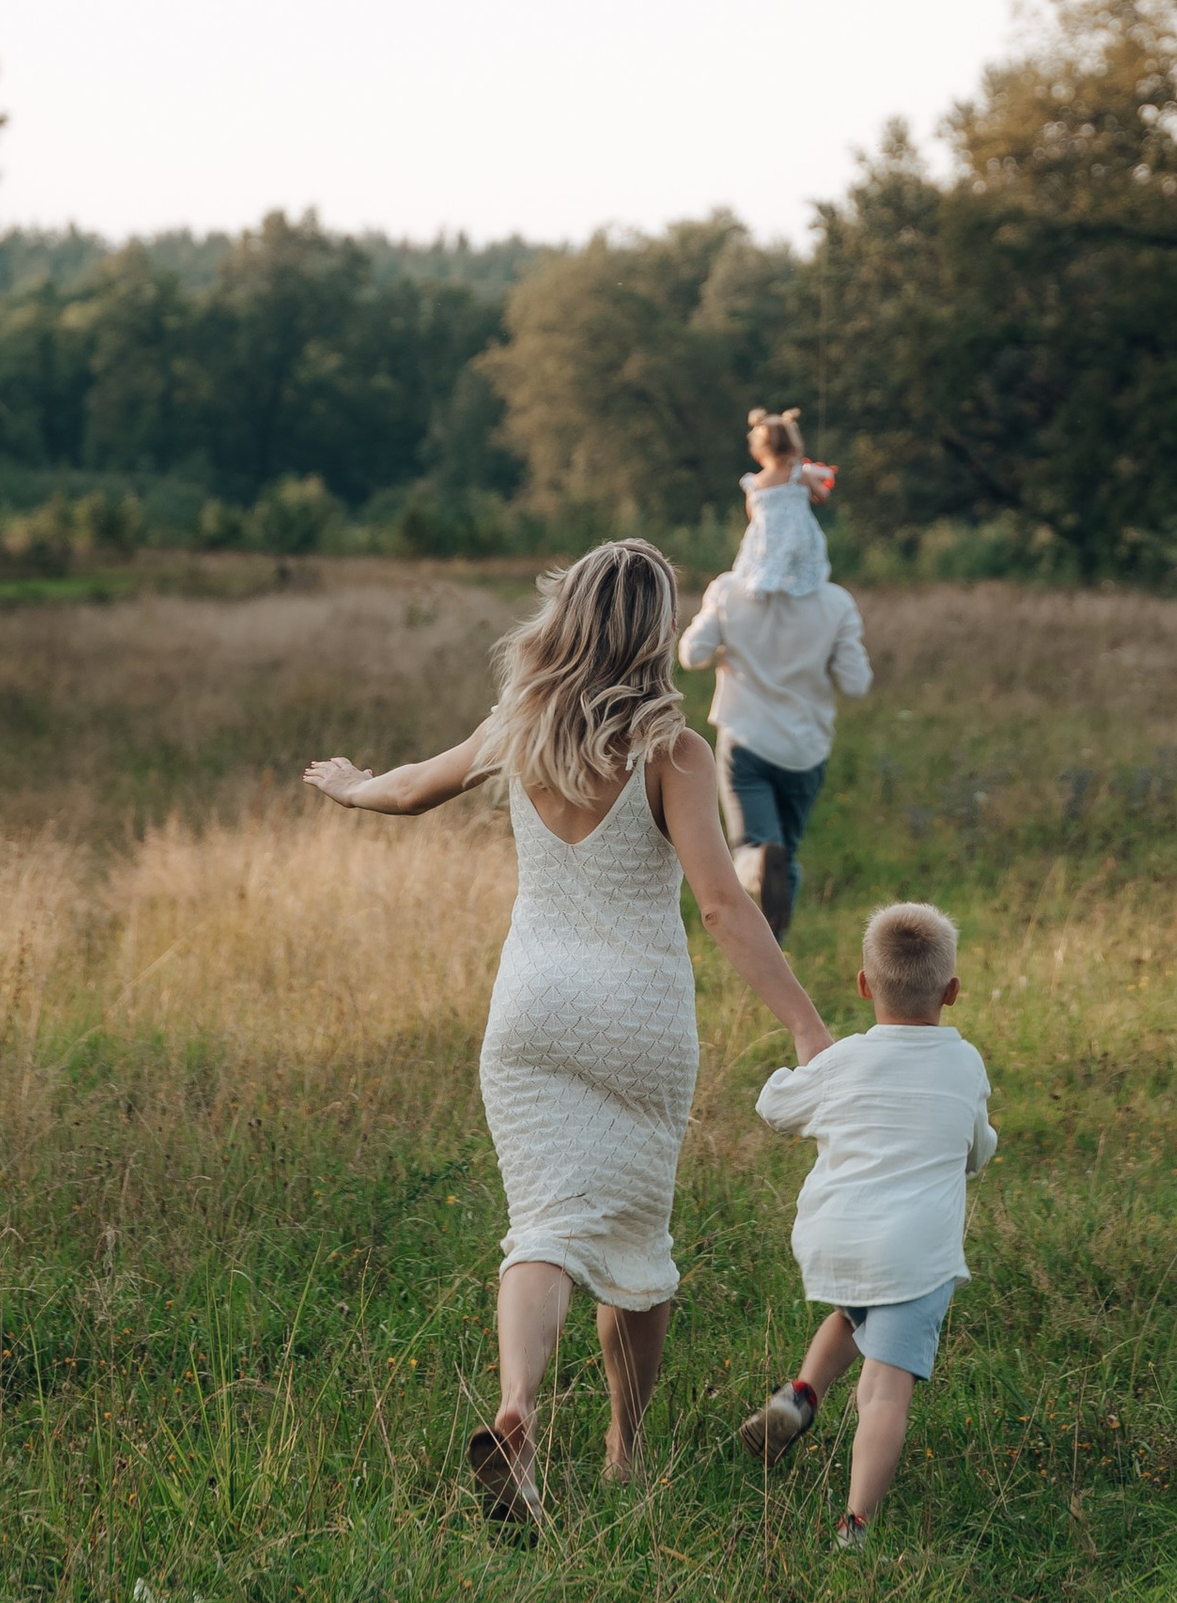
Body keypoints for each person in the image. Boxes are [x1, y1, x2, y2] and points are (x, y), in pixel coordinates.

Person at [303, 537, 829, 1526]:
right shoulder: (672, 748)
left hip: (531, 1011)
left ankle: (516, 1409)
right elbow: (722, 904)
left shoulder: (521, 722)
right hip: (636, 1018)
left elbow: (413, 784)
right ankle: (626, 1449)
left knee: (542, 1222)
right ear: (657, 629)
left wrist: (352, 783)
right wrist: (803, 1023)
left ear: (570, 616)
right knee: (636, 1235)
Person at [739, 900, 996, 1550]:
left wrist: (808, 1061)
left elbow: (775, 1108)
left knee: (855, 1312)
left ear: (862, 985)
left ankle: (800, 1395)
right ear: (953, 991)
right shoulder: (964, 1064)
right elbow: (977, 1148)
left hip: (837, 1237)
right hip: (915, 1253)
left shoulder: (843, 1060)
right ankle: (855, 1527)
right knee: (884, 1392)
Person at [679, 453, 872, 940]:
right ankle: (777, 942)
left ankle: (758, 880)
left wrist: (726, 645)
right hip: (806, 749)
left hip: (745, 741)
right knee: (787, 847)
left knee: (751, 845)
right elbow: (856, 683)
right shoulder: (836, 604)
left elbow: (691, 653)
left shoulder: (728, 591)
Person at [733, 406, 836, 594]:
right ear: (794, 445)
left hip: (765, 545)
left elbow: (752, 516)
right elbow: (822, 495)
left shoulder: (753, 483)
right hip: (801, 541)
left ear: (758, 450)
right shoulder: (799, 474)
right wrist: (821, 479)